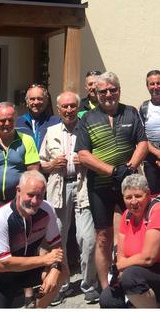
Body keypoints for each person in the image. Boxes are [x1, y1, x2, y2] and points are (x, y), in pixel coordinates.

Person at [75, 71, 148, 290]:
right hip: (100, 185)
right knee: (103, 237)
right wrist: (112, 171)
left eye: (112, 90)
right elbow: (83, 154)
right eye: (103, 91)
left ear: (119, 90)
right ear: (95, 93)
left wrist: (130, 167)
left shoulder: (131, 112)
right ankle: (106, 287)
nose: (108, 94)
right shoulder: (86, 118)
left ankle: (134, 279)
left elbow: (142, 143)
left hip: (130, 185)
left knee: (137, 230)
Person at [99, 174, 160, 308]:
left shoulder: (158, 211)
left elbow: (149, 258)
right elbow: (121, 255)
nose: (133, 202)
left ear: (148, 194)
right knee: (107, 299)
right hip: (145, 273)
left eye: (138, 196)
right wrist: (120, 266)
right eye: (128, 197)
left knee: (130, 277)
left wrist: (120, 267)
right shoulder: (126, 216)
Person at [39, 91, 99, 305]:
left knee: (88, 240)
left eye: (72, 106)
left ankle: (89, 285)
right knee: (58, 239)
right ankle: (62, 285)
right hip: (58, 188)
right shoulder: (52, 131)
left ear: (78, 107)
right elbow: (40, 164)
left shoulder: (87, 127)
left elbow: (98, 157)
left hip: (83, 188)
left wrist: (87, 161)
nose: (69, 110)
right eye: (64, 107)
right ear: (58, 109)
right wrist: (52, 165)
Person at [0, 170, 66, 308]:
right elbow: (3, 264)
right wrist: (44, 259)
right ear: (18, 191)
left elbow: (56, 245)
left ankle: (37, 308)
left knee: (62, 272)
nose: (35, 201)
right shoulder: (0, 217)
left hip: (27, 269)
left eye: (40, 196)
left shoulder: (47, 209)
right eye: (30, 195)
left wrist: (55, 269)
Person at [138, 69, 160, 195]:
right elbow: (141, 137)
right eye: (152, 84)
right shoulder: (144, 107)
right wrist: (159, 154)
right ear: (147, 86)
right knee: (153, 196)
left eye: (159, 83)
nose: (155, 87)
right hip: (151, 158)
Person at [15, 83, 60, 151]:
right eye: (32, 99)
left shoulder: (56, 122)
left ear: (46, 101)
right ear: (27, 102)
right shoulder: (17, 123)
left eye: (40, 99)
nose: (36, 102)